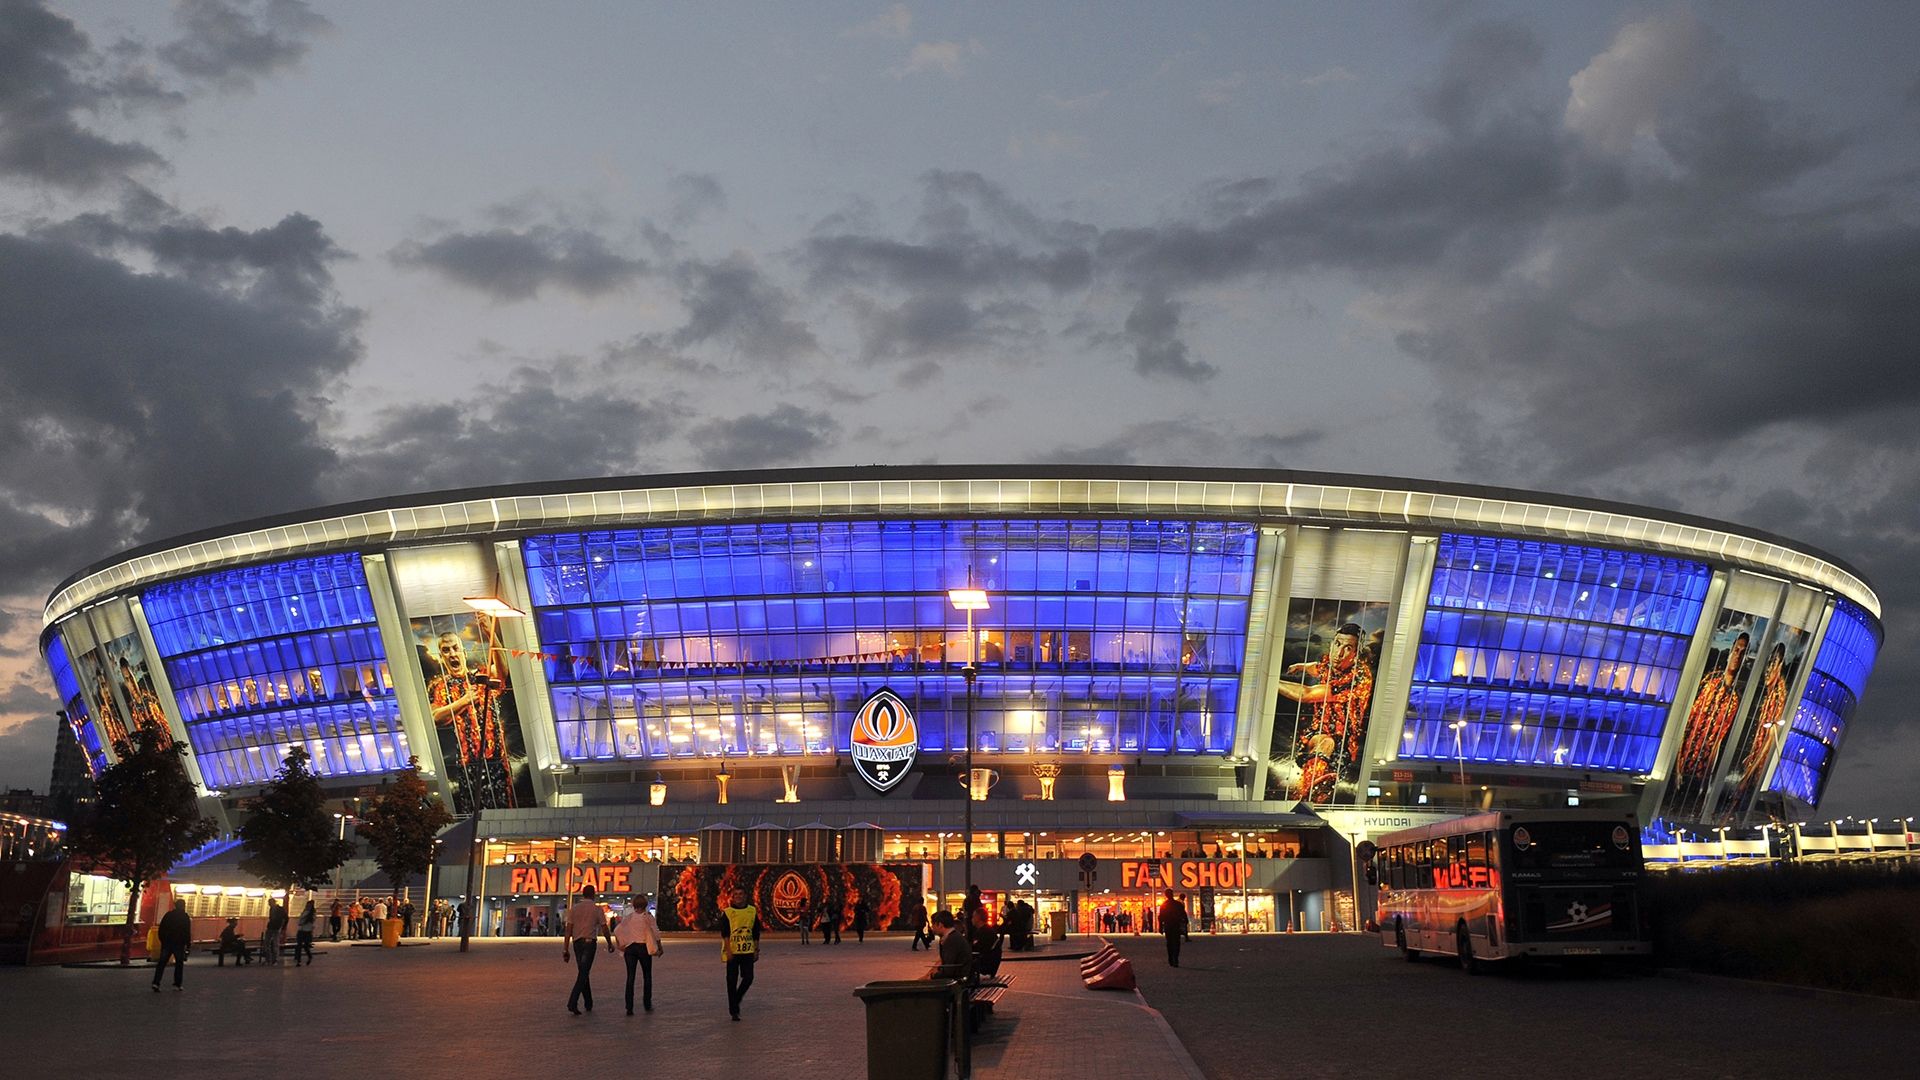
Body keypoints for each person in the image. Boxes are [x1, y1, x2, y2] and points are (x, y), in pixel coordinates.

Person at [1274, 622, 1375, 803]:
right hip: (1318, 729)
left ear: (1356, 653)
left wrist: (1270, 681)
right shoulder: (1331, 661)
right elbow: (1320, 666)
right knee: (1321, 741)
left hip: (1343, 740)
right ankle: (1310, 789)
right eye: (1337, 644)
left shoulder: (1358, 677)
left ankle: (1312, 791)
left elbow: (1307, 694)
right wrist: (1301, 666)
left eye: (1348, 648)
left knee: (1326, 743)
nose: (1339, 653)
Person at [427, 628, 517, 811]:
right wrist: (464, 701)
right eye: (446, 650)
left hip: (496, 759)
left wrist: (488, 631)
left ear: (463, 652)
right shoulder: (440, 686)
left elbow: (502, 672)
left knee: (503, 809)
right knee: (473, 813)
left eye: (455, 648)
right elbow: (436, 716)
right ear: (442, 656)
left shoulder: (481, 678)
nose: (452, 654)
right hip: (469, 762)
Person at [563, 885, 615, 1015]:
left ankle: (588, 1002)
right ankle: (572, 1002)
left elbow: (568, 929)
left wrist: (565, 949)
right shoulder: (597, 909)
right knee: (584, 972)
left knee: (583, 971)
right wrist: (609, 943)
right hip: (590, 943)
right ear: (593, 894)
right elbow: (604, 928)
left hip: (577, 943)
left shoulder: (574, 909)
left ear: (583, 894)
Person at [614, 896, 663, 1015]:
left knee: (630, 977)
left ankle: (629, 1006)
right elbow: (656, 932)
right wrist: (659, 947)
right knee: (647, 975)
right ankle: (647, 1003)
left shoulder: (629, 918)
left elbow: (617, 930)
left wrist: (619, 944)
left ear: (634, 905)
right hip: (643, 948)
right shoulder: (648, 917)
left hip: (630, 949)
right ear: (645, 904)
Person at [719, 887, 761, 1020]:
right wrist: (728, 950)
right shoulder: (727, 912)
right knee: (731, 980)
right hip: (733, 952)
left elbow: (756, 932)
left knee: (748, 978)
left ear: (745, 896)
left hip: (747, 950)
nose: (738, 896)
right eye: (736, 894)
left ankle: (736, 999)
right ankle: (734, 1011)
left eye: (741, 894)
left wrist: (756, 949)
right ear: (732, 897)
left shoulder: (752, 911)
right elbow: (725, 934)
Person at [153, 899, 192, 991]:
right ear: (183, 906)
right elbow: (187, 932)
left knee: (162, 963)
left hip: (167, 942)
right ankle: (177, 983)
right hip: (179, 943)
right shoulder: (185, 917)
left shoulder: (168, 915)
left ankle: (156, 982)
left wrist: (163, 940)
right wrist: (188, 944)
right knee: (179, 963)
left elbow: (161, 928)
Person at [928, 910, 970, 981]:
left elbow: (948, 969)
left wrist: (933, 975)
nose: (932, 927)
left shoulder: (951, 940)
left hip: (957, 979)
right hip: (960, 975)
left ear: (940, 925)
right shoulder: (953, 936)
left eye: (933, 924)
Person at [1158, 890, 1188, 967]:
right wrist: (1185, 922)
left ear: (1166, 895)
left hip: (1168, 925)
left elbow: (1161, 917)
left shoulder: (1164, 905)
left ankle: (1171, 959)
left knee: (1169, 943)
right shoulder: (1177, 904)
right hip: (1176, 925)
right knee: (1176, 942)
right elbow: (1183, 914)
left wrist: (1161, 927)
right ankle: (1175, 959)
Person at [262, 898, 288, 965]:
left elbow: (286, 918)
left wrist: (282, 927)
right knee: (267, 943)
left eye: (269, 903)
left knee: (275, 944)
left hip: (276, 927)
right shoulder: (271, 909)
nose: (269, 904)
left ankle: (274, 960)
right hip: (270, 927)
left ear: (273, 903)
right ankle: (268, 959)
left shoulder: (280, 909)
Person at [294, 899, 317, 966]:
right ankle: (298, 961)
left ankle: (309, 956)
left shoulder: (312, 913)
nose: (307, 906)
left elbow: (311, 921)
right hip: (301, 930)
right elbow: (300, 920)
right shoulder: (304, 912)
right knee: (299, 946)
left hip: (307, 931)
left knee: (306, 946)